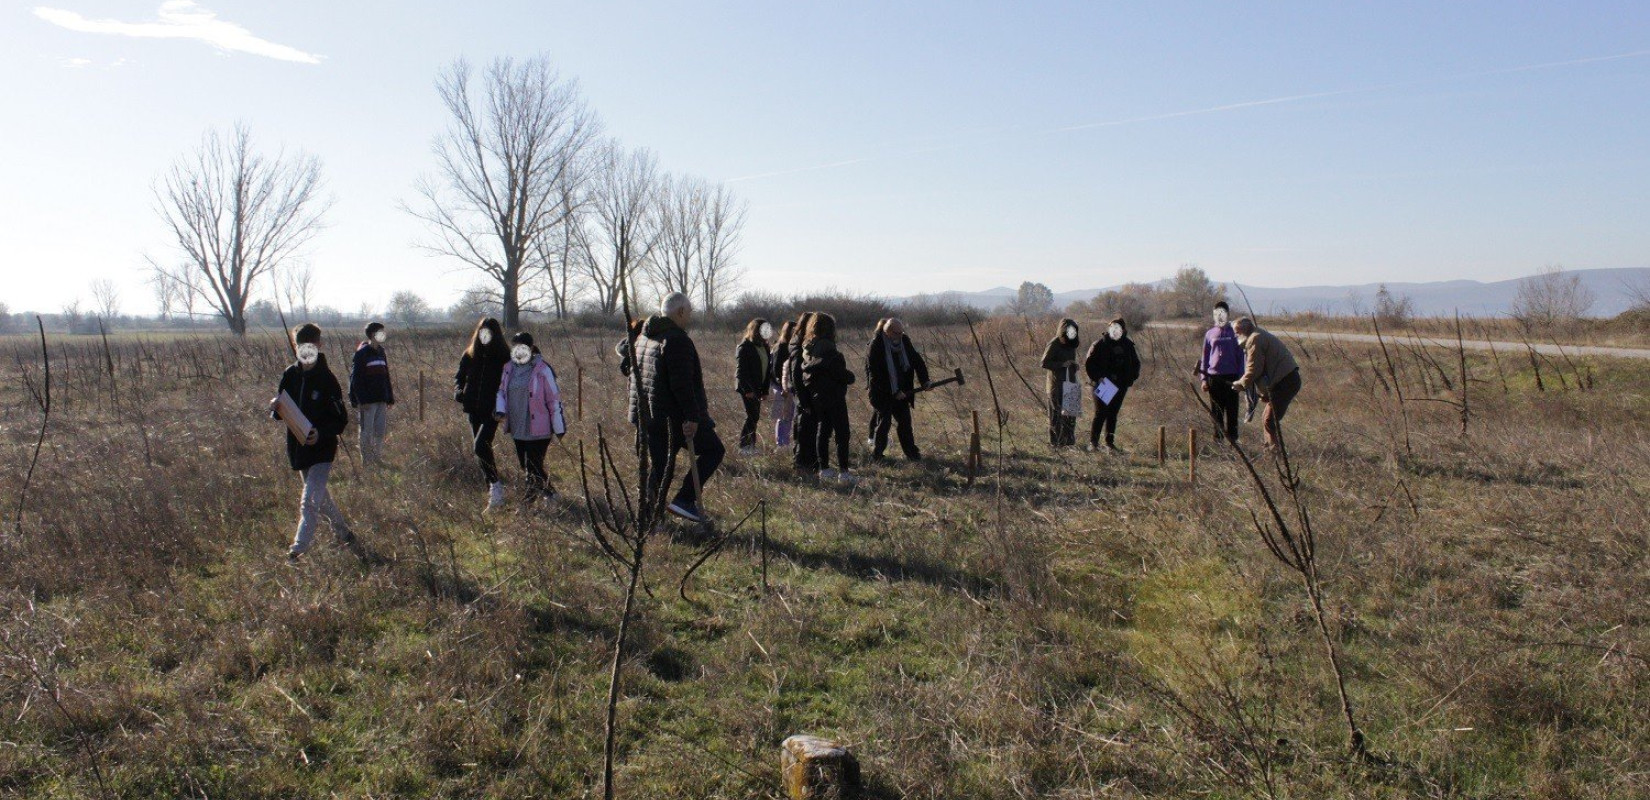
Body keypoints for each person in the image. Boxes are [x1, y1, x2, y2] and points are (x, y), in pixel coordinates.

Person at [631, 292, 726, 523]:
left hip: (649, 415)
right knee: (714, 450)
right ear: (680, 312)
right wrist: (693, 417)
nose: (690, 316)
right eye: (690, 311)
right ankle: (683, 501)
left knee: (661, 468)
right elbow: (682, 384)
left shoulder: (644, 337)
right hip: (673, 417)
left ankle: (649, 518)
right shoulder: (677, 339)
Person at [270, 323, 355, 561]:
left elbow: (341, 420)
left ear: (319, 345)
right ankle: (345, 534)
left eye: (310, 345)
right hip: (298, 448)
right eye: (300, 345)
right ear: (296, 346)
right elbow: (280, 411)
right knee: (321, 498)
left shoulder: (328, 379)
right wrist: (275, 407)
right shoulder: (289, 375)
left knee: (309, 501)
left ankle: (297, 550)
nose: (305, 349)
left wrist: (321, 433)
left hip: (322, 450)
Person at [494, 332, 566, 505]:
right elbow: (501, 392)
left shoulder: (542, 369)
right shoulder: (508, 368)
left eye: (523, 347)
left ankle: (527, 504)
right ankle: (551, 495)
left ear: (531, 348)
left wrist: (559, 427)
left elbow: (553, 399)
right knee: (527, 466)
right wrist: (500, 411)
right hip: (518, 427)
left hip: (540, 427)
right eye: (516, 347)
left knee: (533, 467)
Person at [454, 317, 509, 511]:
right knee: (483, 450)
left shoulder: (504, 358)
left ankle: (496, 488)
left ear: (496, 335)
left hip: (492, 410)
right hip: (473, 408)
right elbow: (459, 377)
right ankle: (494, 494)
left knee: (479, 447)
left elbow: (508, 384)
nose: (485, 336)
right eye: (482, 332)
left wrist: (504, 408)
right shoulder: (469, 355)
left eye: (489, 333)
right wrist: (459, 391)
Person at [1230, 317, 1302, 452]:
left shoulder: (1255, 339)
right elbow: (1264, 370)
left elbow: (1254, 370)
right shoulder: (1256, 336)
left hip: (1286, 382)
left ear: (1245, 330)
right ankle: (1270, 449)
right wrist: (1264, 393)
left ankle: (1275, 453)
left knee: (1269, 419)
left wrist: (1241, 384)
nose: (1236, 336)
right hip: (1283, 382)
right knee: (1266, 418)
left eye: (1237, 332)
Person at [802, 313, 858, 483]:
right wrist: (850, 376)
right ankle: (844, 472)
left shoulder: (808, 348)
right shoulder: (829, 349)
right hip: (834, 396)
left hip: (817, 397)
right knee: (842, 434)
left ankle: (824, 469)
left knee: (823, 432)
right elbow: (840, 373)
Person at [864, 317, 929, 461]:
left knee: (905, 423)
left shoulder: (904, 341)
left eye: (901, 332)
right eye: (896, 333)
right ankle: (877, 455)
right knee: (884, 422)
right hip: (881, 392)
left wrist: (925, 380)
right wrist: (893, 391)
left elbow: (916, 360)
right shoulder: (876, 345)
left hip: (902, 391)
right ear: (887, 332)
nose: (900, 336)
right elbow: (875, 375)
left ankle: (912, 454)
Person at [1083, 318, 1141, 452]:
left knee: (1113, 414)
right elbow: (1090, 364)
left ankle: (1109, 443)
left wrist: (1131, 378)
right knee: (1101, 413)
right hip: (1105, 384)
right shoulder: (1101, 344)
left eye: (1119, 328)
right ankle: (1093, 443)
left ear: (1123, 330)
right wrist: (1099, 378)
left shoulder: (1128, 345)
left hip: (1121, 384)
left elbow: (1136, 363)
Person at [1195, 301, 1243, 443]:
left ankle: (1233, 442)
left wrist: (1241, 379)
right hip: (1214, 378)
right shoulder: (1210, 334)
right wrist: (1204, 379)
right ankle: (1219, 442)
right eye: (1217, 314)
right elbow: (1204, 357)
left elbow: (1242, 357)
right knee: (1217, 413)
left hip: (1232, 378)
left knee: (1232, 412)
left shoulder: (1235, 333)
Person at [348, 321, 395, 466]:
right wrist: (361, 400)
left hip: (381, 398)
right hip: (367, 401)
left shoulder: (381, 352)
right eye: (381, 332)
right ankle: (367, 462)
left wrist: (390, 397)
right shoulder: (362, 354)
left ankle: (377, 458)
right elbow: (355, 379)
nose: (384, 334)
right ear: (373, 335)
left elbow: (386, 375)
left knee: (379, 431)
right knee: (366, 432)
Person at [1039, 318, 1081, 448]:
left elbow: (1071, 360)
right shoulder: (1054, 343)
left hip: (1071, 382)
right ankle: (1055, 443)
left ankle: (1068, 442)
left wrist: (1074, 366)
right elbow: (1044, 363)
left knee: (1071, 414)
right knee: (1055, 415)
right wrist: (1062, 365)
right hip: (1056, 385)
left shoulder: (1072, 344)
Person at [786, 312, 820, 472]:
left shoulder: (802, 343)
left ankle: (809, 462)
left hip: (805, 395)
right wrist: (804, 402)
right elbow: (796, 376)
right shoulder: (798, 346)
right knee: (804, 431)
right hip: (803, 396)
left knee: (805, 429)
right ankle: (802, 464)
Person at [735, 318, 773, 454]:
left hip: (758, 387)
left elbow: (767, 370)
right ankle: (744, 446)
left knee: (755, 416)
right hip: (748, 388)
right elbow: (741, 372)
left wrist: (765, 390)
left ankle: (750, 445)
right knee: (752, 416)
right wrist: (747, 390)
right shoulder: (744, 347)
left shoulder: (765, 346)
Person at [770, 320, 798, 448]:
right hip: (780, 386)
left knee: (788, 415)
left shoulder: (793, 346)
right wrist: (783, 387)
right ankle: (781, 444)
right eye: (793, 330)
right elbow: (776, 369)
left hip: (788, 386)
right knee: (783, 415)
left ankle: (784, 442)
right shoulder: (781, 347)